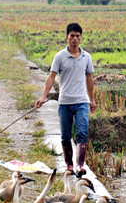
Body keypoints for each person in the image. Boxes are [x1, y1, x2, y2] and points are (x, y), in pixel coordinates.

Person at [35, 23, 96, 177]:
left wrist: (92, 100)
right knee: (66, 136)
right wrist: (43, 97)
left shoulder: (86, 57)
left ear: (81, 38)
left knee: (82, 132)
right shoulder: (60, 57)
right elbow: (51, 77)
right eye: (72, 36)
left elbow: (89, 78)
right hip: (65, 103)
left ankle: (80, 166)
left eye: (77, 36)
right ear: (67, 37)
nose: (75, 39)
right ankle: (69, 165)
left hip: (82, 101)